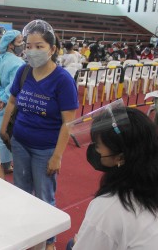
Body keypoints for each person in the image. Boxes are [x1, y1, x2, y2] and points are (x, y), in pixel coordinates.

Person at [0, 19, 78, 250]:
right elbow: (13, 100)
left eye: (39, 46)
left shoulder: (62, 80)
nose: (32, 51)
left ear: (52, 49)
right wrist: (4, 128)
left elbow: (68, 122)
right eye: (29, 46)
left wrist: (57, 156)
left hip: (46, 149)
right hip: (20, 142)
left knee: (44, 197)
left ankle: (49, 241)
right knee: (22, 191)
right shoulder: (24, 71)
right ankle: (26, 233)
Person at [66, 101, 158, 249]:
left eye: (97, 146)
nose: (94, 151)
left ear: (120, 157)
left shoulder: (108, 208)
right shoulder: (148, 184)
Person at [0, 30, 25, 173]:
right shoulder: (18, 62)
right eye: (19, 42)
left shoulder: (1, 58)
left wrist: (1, 97)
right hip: (8, 98)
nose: (22, 45)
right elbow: (14, 86)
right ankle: (6, 163)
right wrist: (5, 99)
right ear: (10, 45)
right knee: (7, 130)